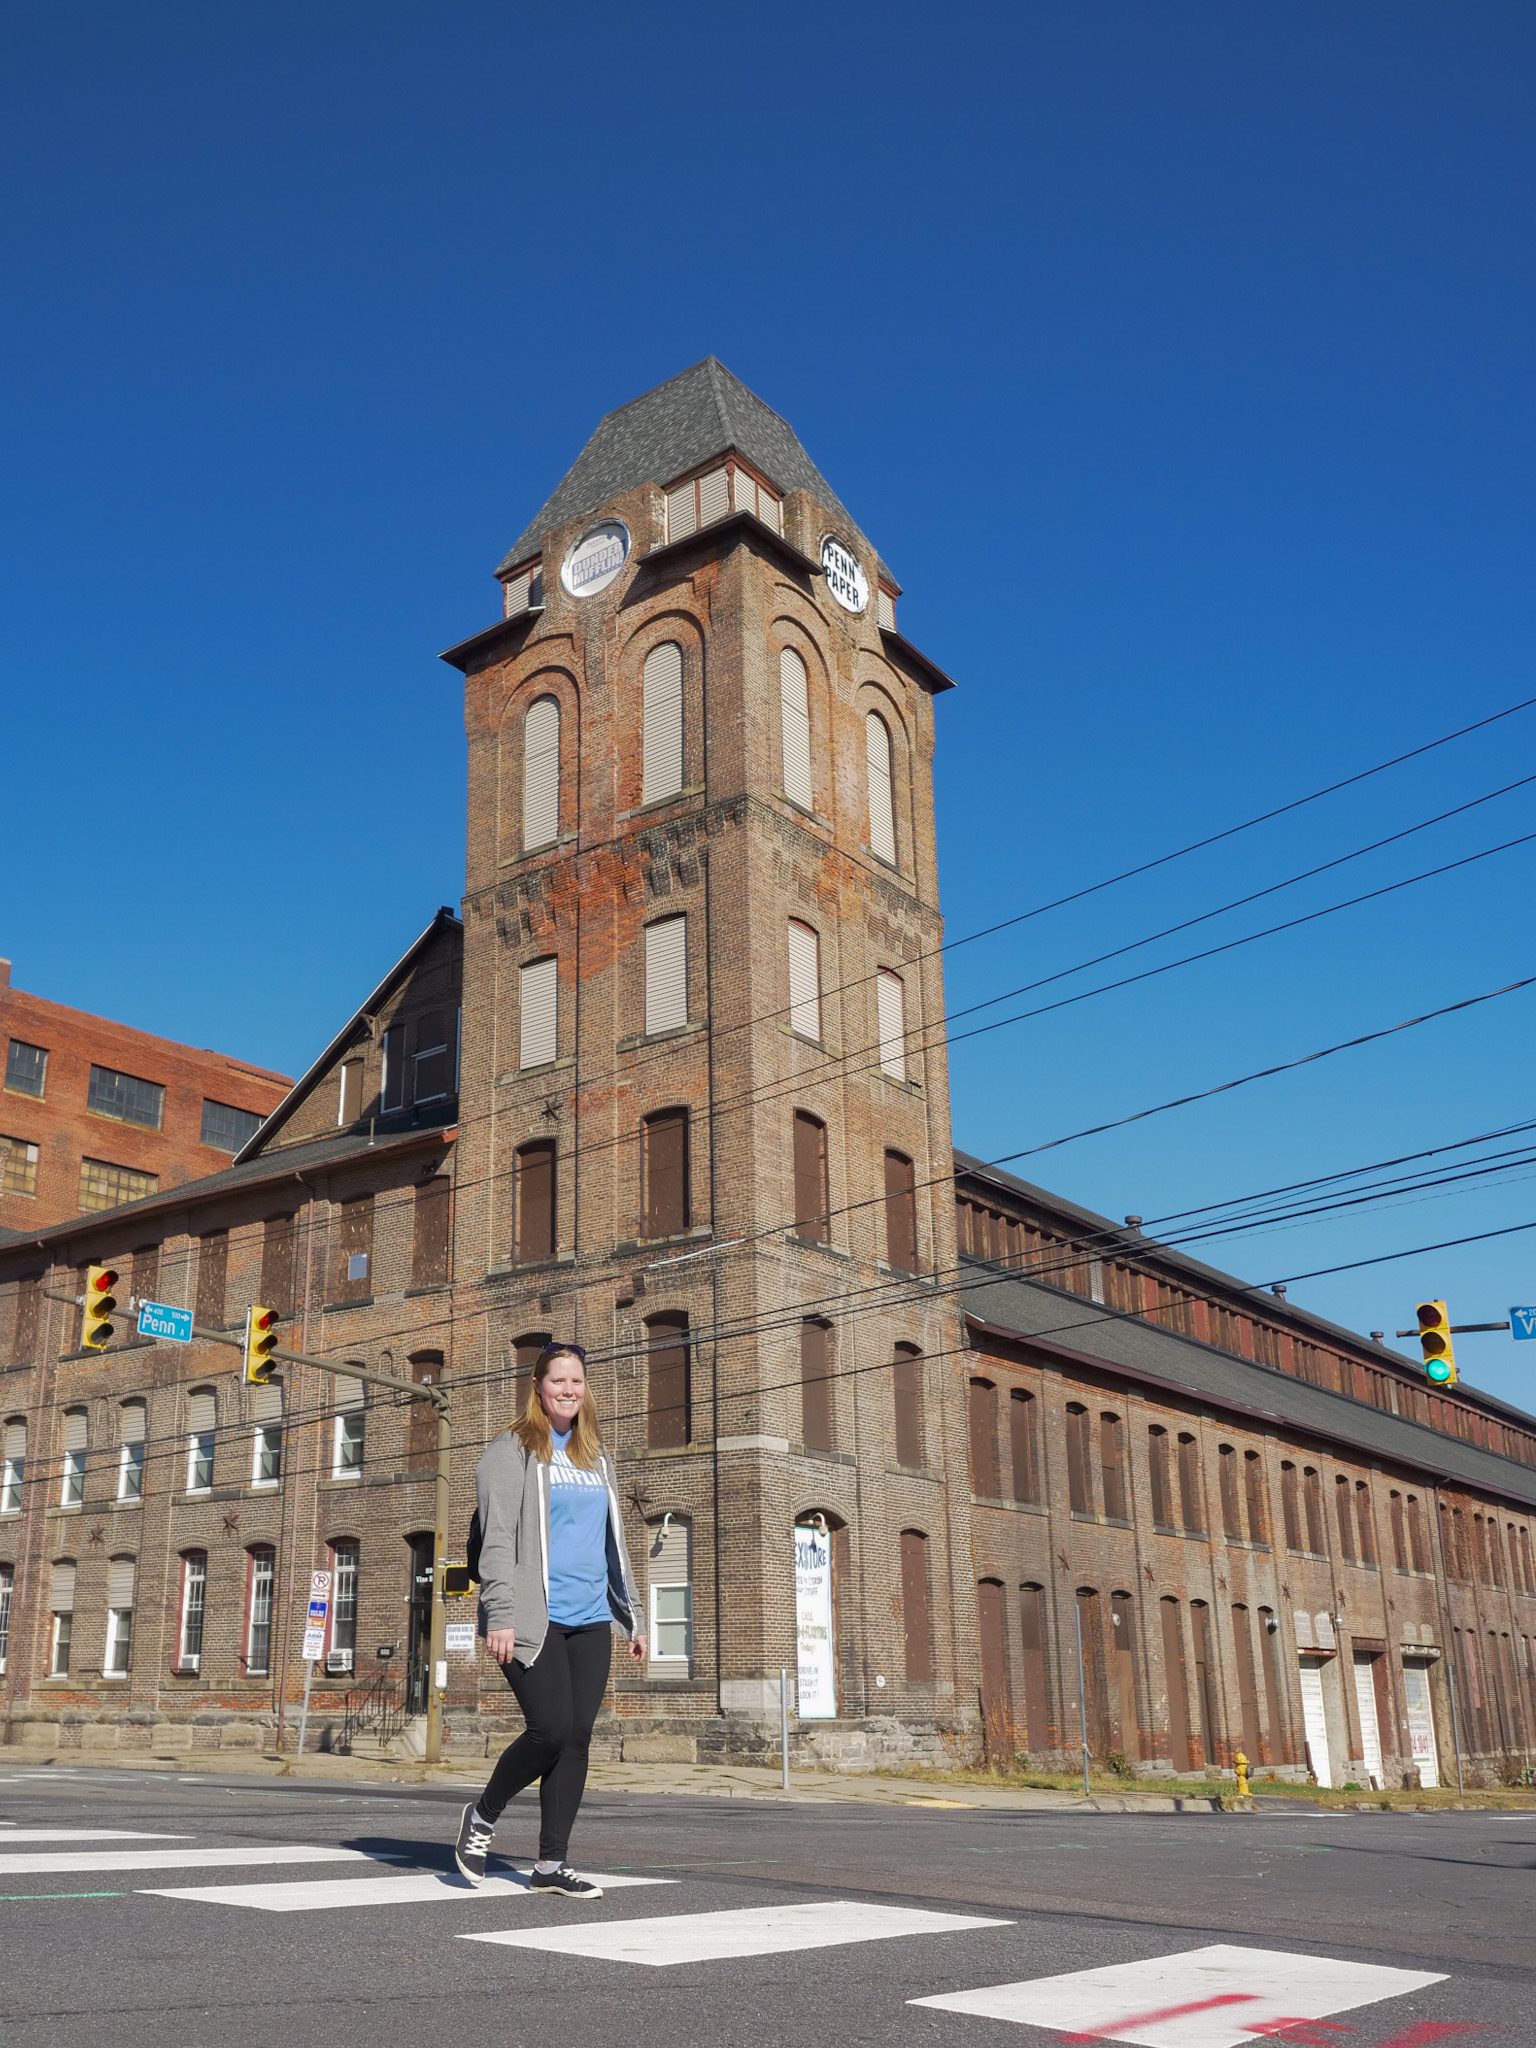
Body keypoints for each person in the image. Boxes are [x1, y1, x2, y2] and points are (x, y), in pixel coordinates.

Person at [454, 1342, 645, 1897]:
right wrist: (500, 1614)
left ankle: (549, 1864)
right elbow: (495, 1540)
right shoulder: (511, 1451)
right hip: (532, 1619)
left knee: (577, 1738)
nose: (568, 1390)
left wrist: (632, 1615)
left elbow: (613, 1544)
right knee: (551, 1729)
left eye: (576, 1381)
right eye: (558, 1380)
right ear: (538, 1386)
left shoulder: (596, 1457)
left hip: (590, 1617)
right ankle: (482, 1815)